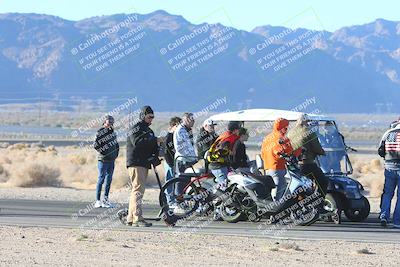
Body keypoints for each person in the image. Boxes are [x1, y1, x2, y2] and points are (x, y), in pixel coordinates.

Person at [126, 106, 160, 227]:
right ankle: (137, 218)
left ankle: (130, 218)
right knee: (138, 190)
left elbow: (151, 145)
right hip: (136, 163)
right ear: (142, 116)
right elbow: (138, 143)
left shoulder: (148, 130)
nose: (151, 119)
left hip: (143, 163)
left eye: (152, 117)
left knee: (136, 190)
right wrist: (155, 140)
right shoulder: (136, 128)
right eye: (149, 117)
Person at [287, 114, 329, 207]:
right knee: (323, 182)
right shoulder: (309, 132)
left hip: (294, 164)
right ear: (306, 121)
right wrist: (323, 152)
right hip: (307, 163)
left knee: (302, 185)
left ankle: (302, 202)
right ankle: (318, 204)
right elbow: (316, 147)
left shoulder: (290, 133)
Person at [261, 118, 299, 201]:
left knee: (273, 190)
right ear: (282, 127)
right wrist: (300, 150)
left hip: (267, 167)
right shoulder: (282, 138)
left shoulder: (267, 138)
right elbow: (290, 152)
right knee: (278, 192)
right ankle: (275, 210)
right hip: (278, 168)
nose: (286, 130)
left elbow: (262, 154)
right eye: (286, 128)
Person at [93, 115, 119, 208]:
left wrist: (115, 154)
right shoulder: (100, 132)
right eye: (109, 123)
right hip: (103, 160)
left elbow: (116, 145)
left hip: (111, 160)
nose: (110, 125)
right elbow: (96, 145)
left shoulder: (113, 133)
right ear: (104, 123)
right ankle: (98, 200)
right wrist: (105, 152)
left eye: (112, 123)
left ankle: (106, 200)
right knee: (101, 179)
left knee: (109, 180)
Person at [378, 123, 400, 228]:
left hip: (389, 166)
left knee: (387, 193)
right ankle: (397, 221)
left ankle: (384, 216)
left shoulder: (388, 133)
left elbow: (380, 150)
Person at [208, 121, 241, 191]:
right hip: (218, 166)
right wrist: (230, 152)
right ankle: (216, 200)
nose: (239, 131)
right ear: (235, 130)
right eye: (238, 129)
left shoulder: (226, 135)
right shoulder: (228, 139)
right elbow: (221, 151)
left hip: (220, 165)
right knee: (224, 188)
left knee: (225, 185)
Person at [164, 116, 182, 203]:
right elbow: (166, 152)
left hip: (175, 163)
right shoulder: (169, 137)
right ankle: (170, 201)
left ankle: (174, 200)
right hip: (170, 163)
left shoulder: (175, 136)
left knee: (174, 182)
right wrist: (170, 163)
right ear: (174, 125)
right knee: (170, 182)